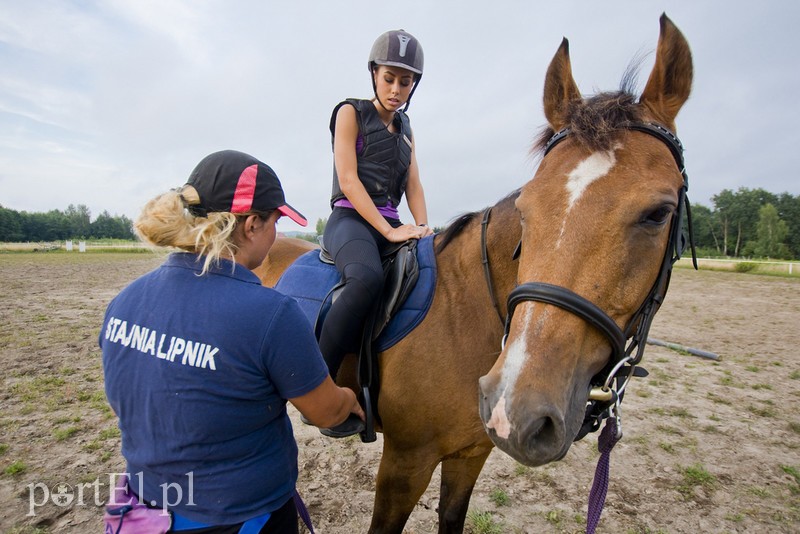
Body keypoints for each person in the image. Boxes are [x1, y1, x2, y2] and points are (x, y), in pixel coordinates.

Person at [100, 150, 364, 533]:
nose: (277, 236)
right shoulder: (271, 314)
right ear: (252, 224)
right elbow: (325, 412)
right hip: (240, 516)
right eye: (275, 222)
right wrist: (348, 399)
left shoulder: (125, 300)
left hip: (143, 510)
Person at [317, 29, 434, 438]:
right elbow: (348, 180)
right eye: (389, 78)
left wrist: (421, 227)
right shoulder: (350, 113)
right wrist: (390, 228)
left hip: (392, 224)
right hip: (350, 220)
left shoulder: (406, 128)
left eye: (406, 81)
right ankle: (318, 382)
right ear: (374, 74)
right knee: (365, 278)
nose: (396, 89)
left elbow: (414, 184)